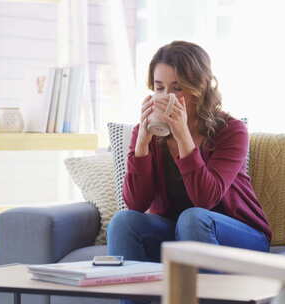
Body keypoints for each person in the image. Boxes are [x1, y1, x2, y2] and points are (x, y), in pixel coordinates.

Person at [107, 41, 271, 264]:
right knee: (123, 222)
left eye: (177, 88)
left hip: (239, 235)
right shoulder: (145, 133)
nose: (166, 96)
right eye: (159, 87)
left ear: (199, 88)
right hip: (178, 232)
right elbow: (136, 204)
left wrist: (183, 135)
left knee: (192, 219)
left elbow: (206, 198)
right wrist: (142, 145)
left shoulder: (231, 131)